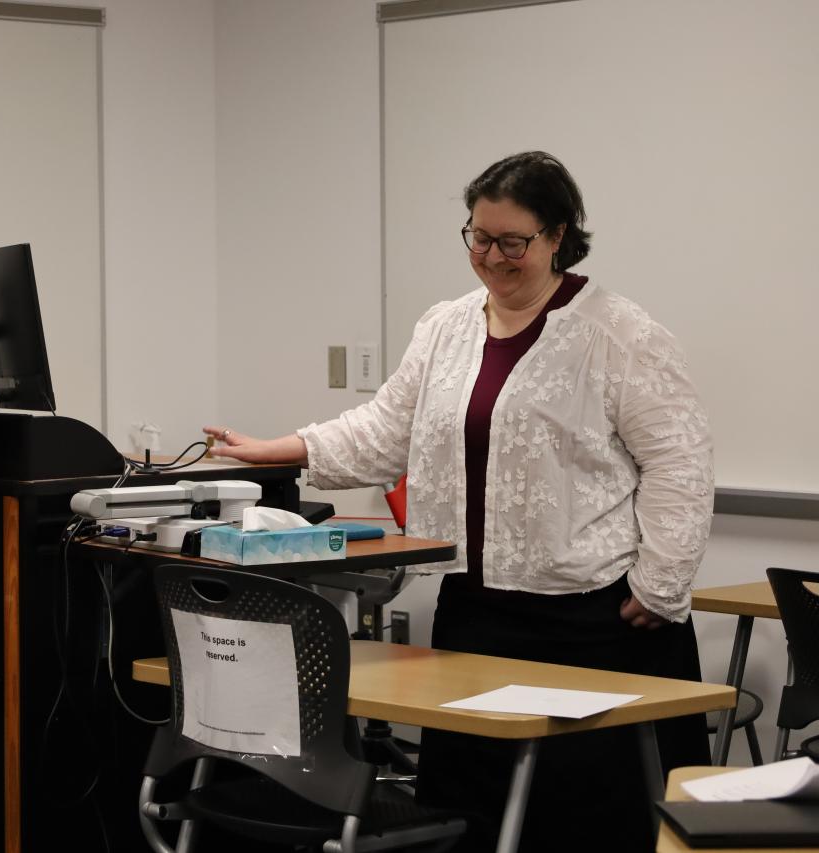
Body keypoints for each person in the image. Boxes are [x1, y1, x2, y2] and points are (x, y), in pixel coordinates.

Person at [204, 151, 713, 852]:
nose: (493, 257)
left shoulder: (620, 333)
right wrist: (276, 449)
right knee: (472, 815)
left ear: (558, 236)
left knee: (585, 820)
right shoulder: (446, 327)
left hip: (591, 619)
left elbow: (680, 461)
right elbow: (384, 430)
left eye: (514, 242)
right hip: (476, 611)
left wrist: (660, 584)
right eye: (479, 237)